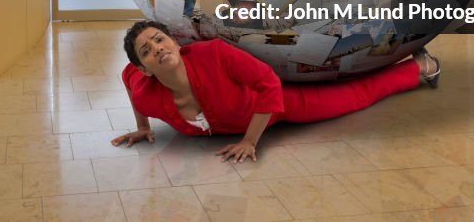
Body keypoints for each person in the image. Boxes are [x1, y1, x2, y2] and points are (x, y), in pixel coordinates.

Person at [112, 21, 440, 162]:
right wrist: (143, 127)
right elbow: (128, 79)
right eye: (145, 51)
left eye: (159, 39)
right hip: (245, 114)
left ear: (175, 43)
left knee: (356, 96)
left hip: (278, 105)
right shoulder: (145, 90)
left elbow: (268, 84)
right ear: (144, 68)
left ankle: (421, 67)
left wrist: (249, 141)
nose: (155, 48)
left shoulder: (212, 53)